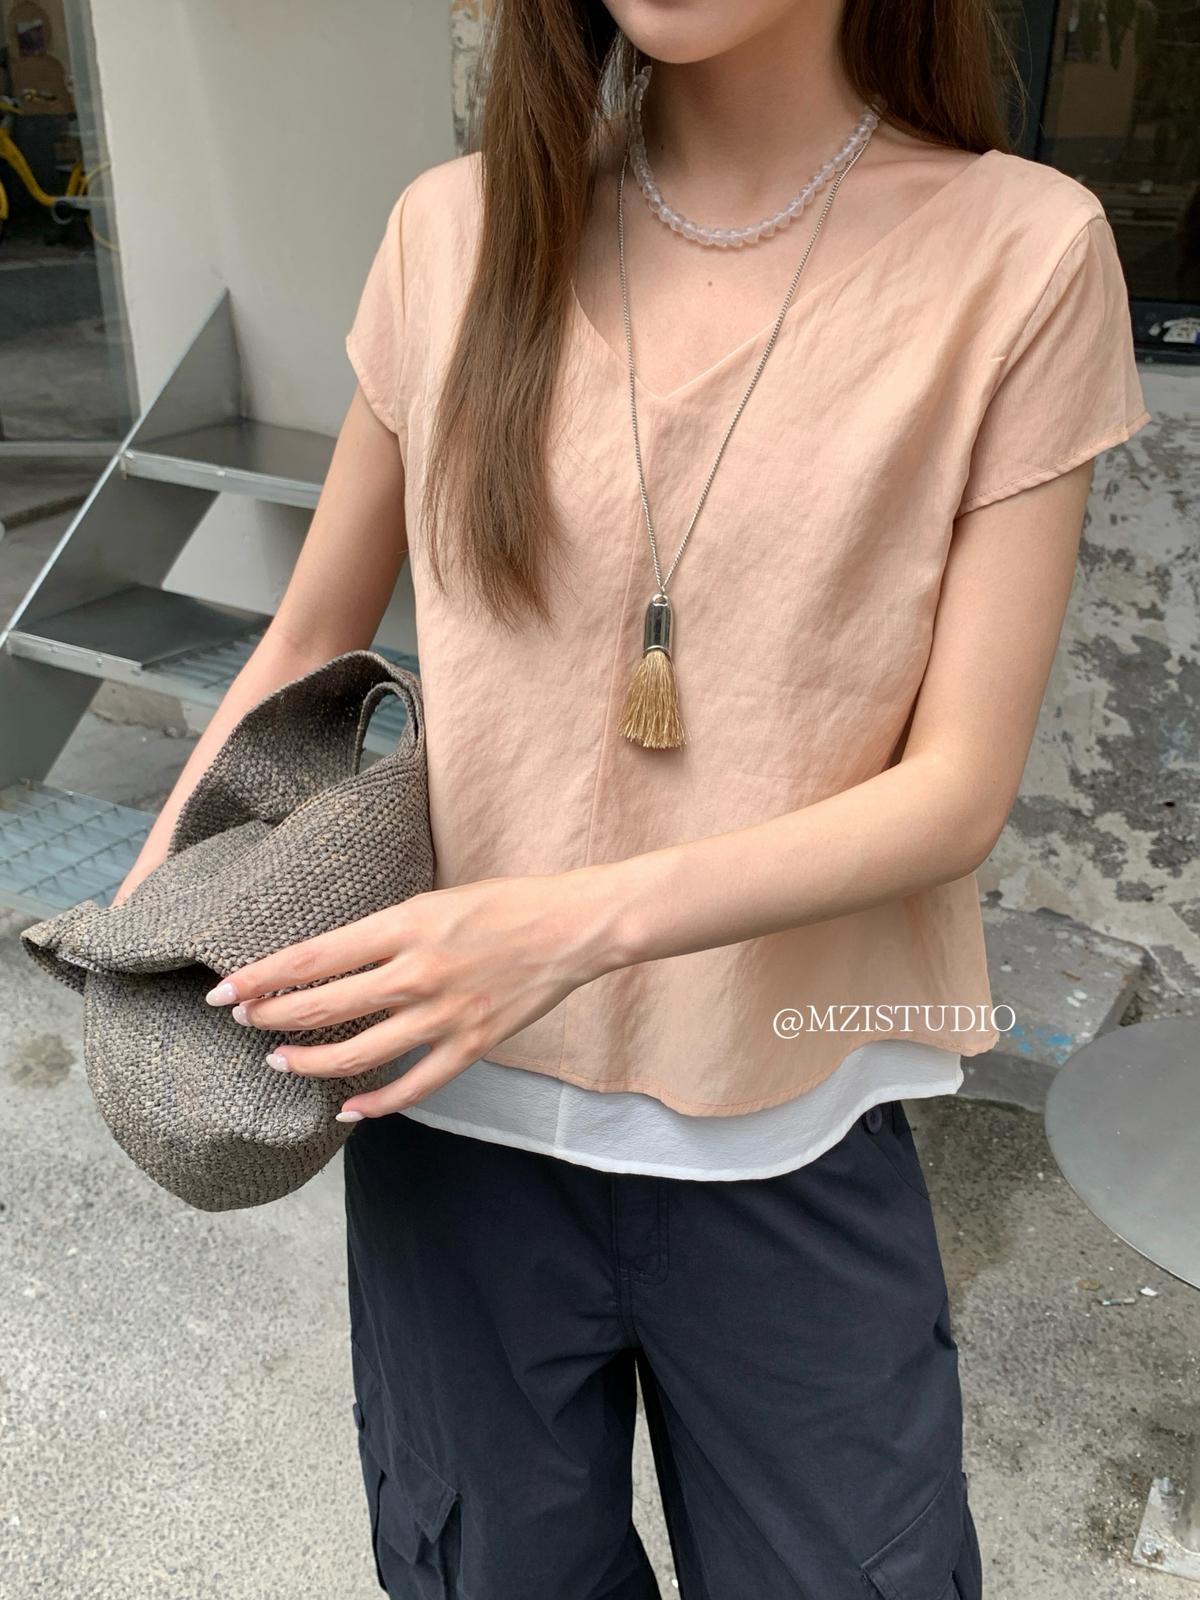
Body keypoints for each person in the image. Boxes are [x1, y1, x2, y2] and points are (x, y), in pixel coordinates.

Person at [118, 2, 1151, 1595]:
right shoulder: (452, 232)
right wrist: (149, 939)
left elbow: (956, 788)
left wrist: (564, 930)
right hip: (439, 1111)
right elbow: (311, 635)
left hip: (784, 1115)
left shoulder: (1019, 253)